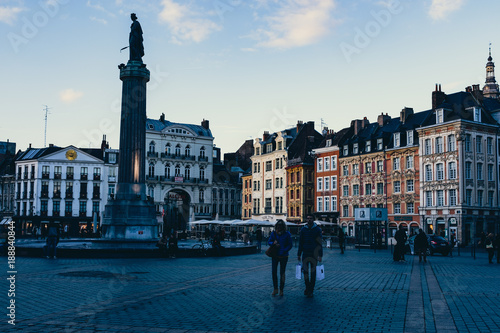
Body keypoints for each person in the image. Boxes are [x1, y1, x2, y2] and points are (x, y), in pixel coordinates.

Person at [297, 215, 323, 297]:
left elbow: (319, 243)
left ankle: (311, 289)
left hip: (314, 254)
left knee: (313, 272)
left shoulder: (317, 230)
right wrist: (299, 254)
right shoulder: (303, 229)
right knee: (305, 272)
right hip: (305, 253)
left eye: (310, 218)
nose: (309, 220)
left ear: (313, 219)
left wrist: (320, 255)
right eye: (307, 218)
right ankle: (307, 287)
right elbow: (300, 242)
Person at [267, 220, 293, 296]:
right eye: (278, 226)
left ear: (283, 227)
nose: (279, 228)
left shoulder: (287, 234)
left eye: (281, 226)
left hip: (284, 256)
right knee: (274, 272)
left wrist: (284, 250)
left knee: (282, 273)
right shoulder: (274, 233)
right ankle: (275, 288)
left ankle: (281, 289)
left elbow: (290, 245)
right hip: (275, 255)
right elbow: (269, 241)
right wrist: (273, 243)